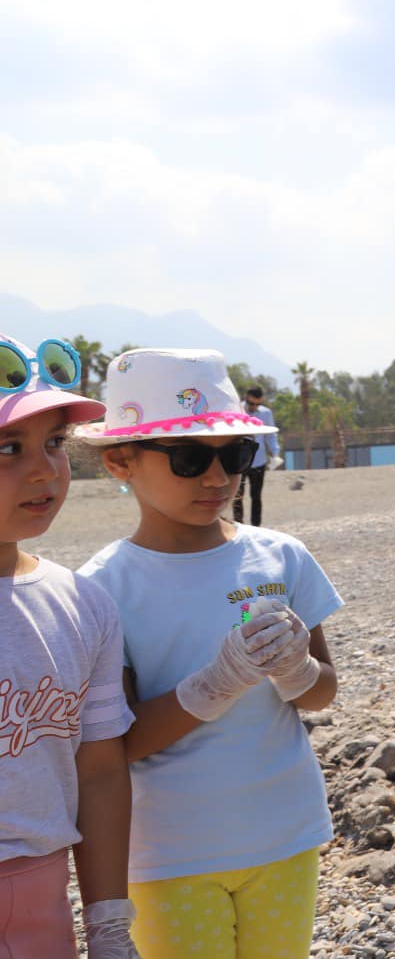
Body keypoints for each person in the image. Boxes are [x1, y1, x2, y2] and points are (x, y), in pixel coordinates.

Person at [75, 348, 342, 959]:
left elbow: (324, 693)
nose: (219, 480)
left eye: (235, 456)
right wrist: (214, 685)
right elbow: (113, 747)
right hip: (171, 855)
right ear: (121, 461)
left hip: (286, 834)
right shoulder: (102, 589)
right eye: (191, 459)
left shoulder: (282, 557)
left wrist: (296, 668)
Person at [0, 335, 140, 958]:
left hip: (43, 900)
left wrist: (109, 924)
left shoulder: (84, 606)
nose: (43, 470)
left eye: (54, 444)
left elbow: (102, 771)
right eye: (9, 448)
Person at [231, 386, 280, 527]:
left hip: (259, 461)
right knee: (237, 496)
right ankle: (238, 525)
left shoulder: (266, 413)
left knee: (256, 496)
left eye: (257, 404)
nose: (254, 407)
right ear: (246, 398)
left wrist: (275, 452)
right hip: (239, 460)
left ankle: (256, 526)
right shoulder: (236, 410)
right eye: (251, 403)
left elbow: (270, 435)